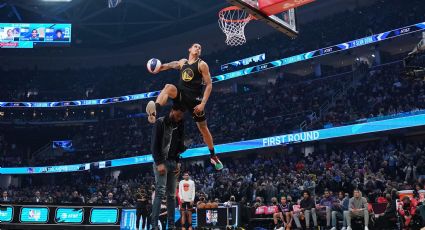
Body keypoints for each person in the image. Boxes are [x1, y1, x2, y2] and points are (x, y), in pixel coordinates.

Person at [146, 43, 223, 170]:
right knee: (168, 87)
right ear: (190, 49)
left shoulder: (202, 65)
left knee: (203, 128)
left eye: (200, 48)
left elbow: (209, 85)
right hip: (181, 96)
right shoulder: (183, 62)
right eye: (196, 46)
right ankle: (154, 111)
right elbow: (169, 65)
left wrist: (203, 103)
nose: (198, 48)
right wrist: (158, 68)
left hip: (195, 100)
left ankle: (213, 155)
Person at [151, 104, 186, 230]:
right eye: (177, 115)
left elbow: (178, 145)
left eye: (181, 117)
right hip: (162, 162)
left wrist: (178, 162)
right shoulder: (160, 122)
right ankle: (154, 226)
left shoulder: (180, 124)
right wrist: (159, 162)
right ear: (172, 111)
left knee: (171, 195)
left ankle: (171, 226)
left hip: (172, 162)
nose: (178, 118)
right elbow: (154, 146)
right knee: (160, 192)